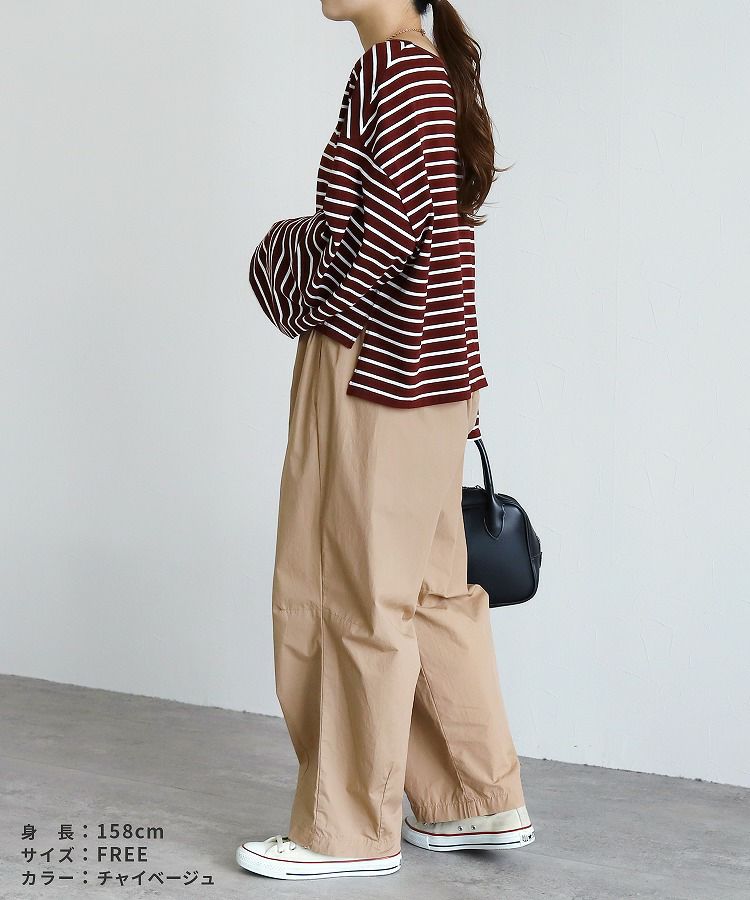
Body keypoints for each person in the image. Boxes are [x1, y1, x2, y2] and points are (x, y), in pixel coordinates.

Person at [236, 0, 534, 881]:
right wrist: (466, 392)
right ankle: (476, 798)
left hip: (369, 372)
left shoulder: (391, 71)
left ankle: (348, 829)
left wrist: (305, 291)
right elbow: (444, 252)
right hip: (429, 379)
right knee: (430, 595)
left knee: (339, 594)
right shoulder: (427, 72)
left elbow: (388, 239)